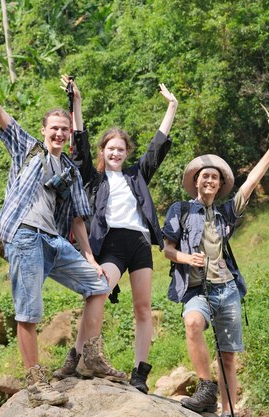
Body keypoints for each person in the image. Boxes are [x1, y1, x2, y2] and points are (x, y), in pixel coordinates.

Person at [0, 43, 127, 408]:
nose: (59, 134)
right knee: (29, 311)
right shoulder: (27, 149)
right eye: (54, 128)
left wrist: (90, 257)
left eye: (64, 130)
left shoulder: (69, 169)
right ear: (43, 129)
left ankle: (91, 358)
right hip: (23, 235)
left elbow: (79, 219)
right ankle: (35, 382)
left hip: (54, 241)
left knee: (97, 284)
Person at [53, 76, 178, 394]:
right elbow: (79, 142)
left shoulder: (137, 175)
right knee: (96, 292)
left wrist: (172, 106)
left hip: (138, 244)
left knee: (143, 309)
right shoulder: (93, 180)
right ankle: (78, 357)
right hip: (109, 244)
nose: (116, 154)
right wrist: (76, 103)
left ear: (126, 153)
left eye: (121, 150)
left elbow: (158, 146)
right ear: (103, 152)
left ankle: (140, 373)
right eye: (111, 149)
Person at [162, 119, 269, 415]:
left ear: (220, 183)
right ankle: (205, 388)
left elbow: (251, 183)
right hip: (195, 288)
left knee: (227, 357)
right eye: (205, 177)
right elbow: (167, 248)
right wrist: (186, 259)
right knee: (192, 323)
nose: (210, 181)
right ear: (196, 181)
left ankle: (227, 411)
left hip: (226, 289)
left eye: (214, 178)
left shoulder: (227, 213)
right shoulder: (182, 209)